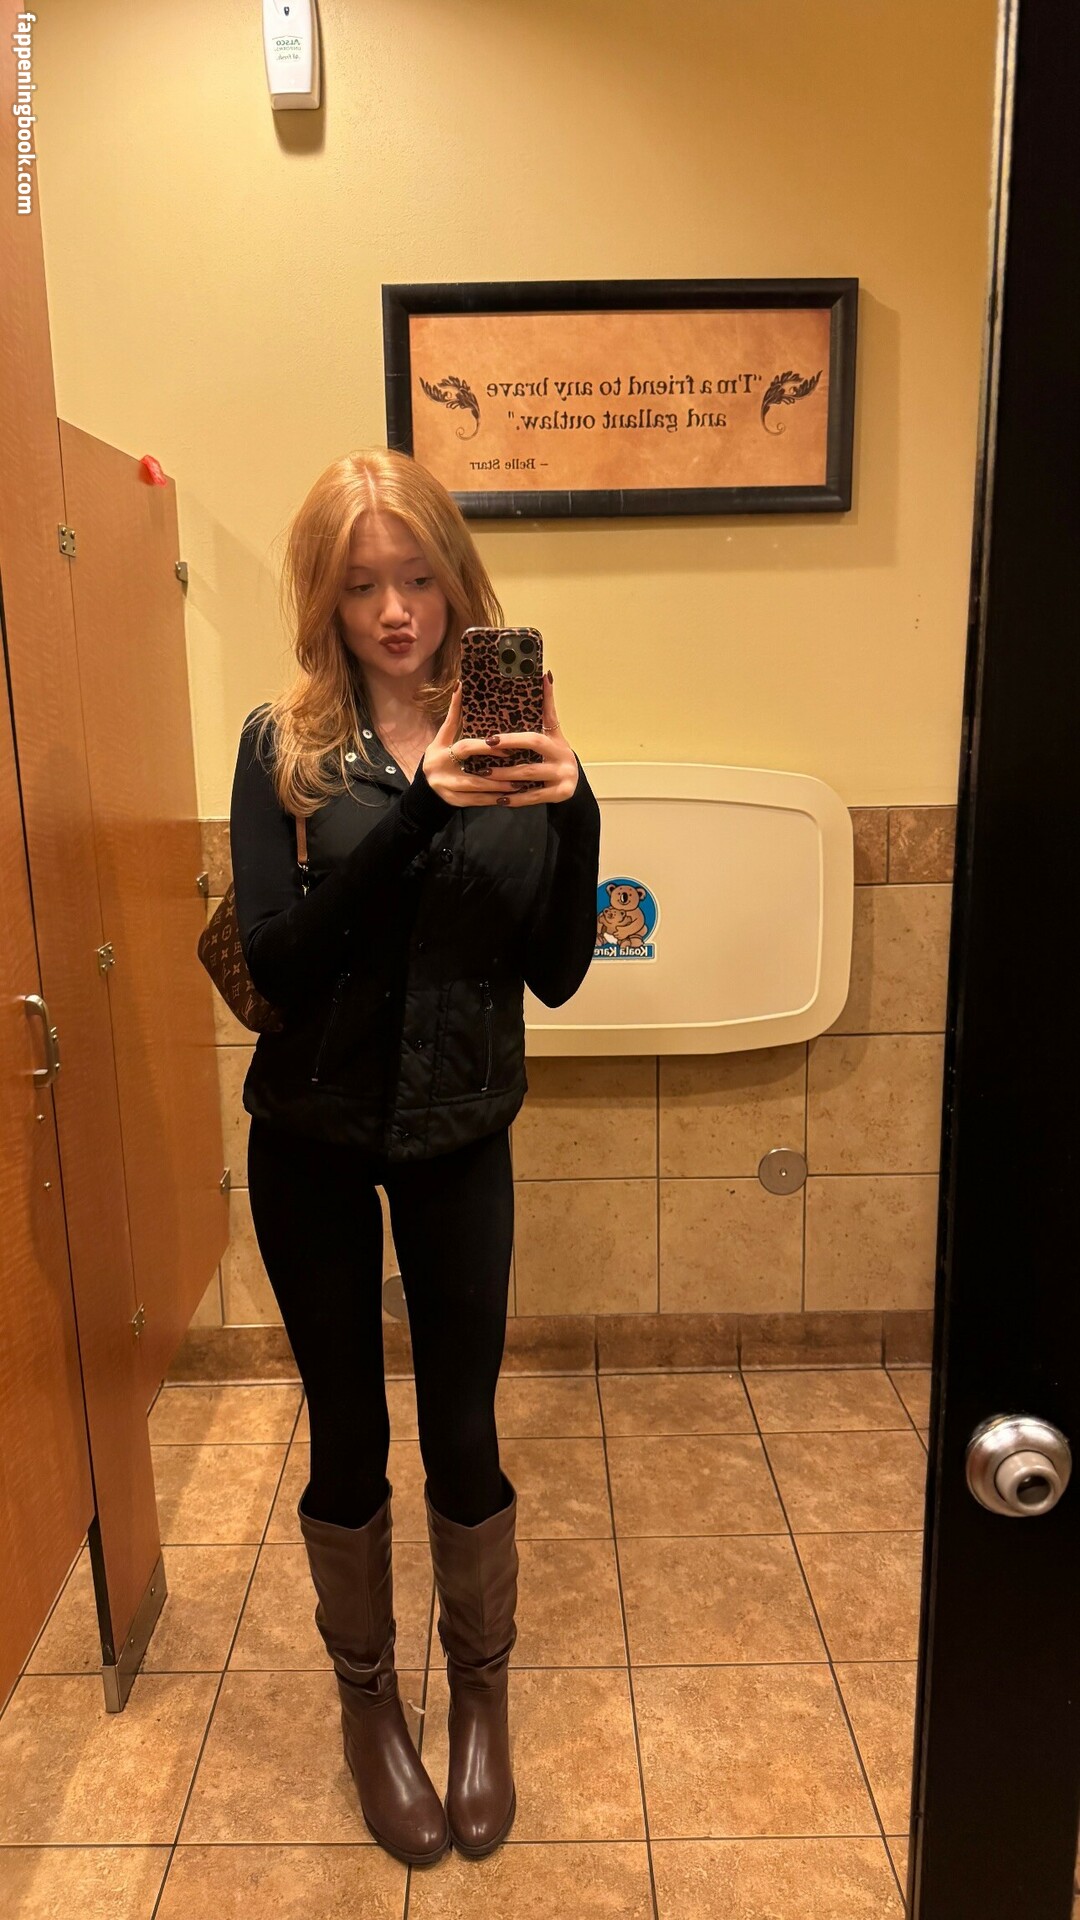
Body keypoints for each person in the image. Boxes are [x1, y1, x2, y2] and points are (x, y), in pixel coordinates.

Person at [228, 447, 601, 1869]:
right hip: (310, 1140)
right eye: (360, 585)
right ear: (322, 598)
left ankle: (480, 1701)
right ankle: (369, 1706)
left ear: (458, 579)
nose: (394, 611)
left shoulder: (513, 731)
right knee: (347, 1433)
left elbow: (556, 973)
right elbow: (281, 961)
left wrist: (575, 808)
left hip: (461, 1134)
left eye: (417, 578)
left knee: (463, 1428)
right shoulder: (284, 748)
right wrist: (425, 810)